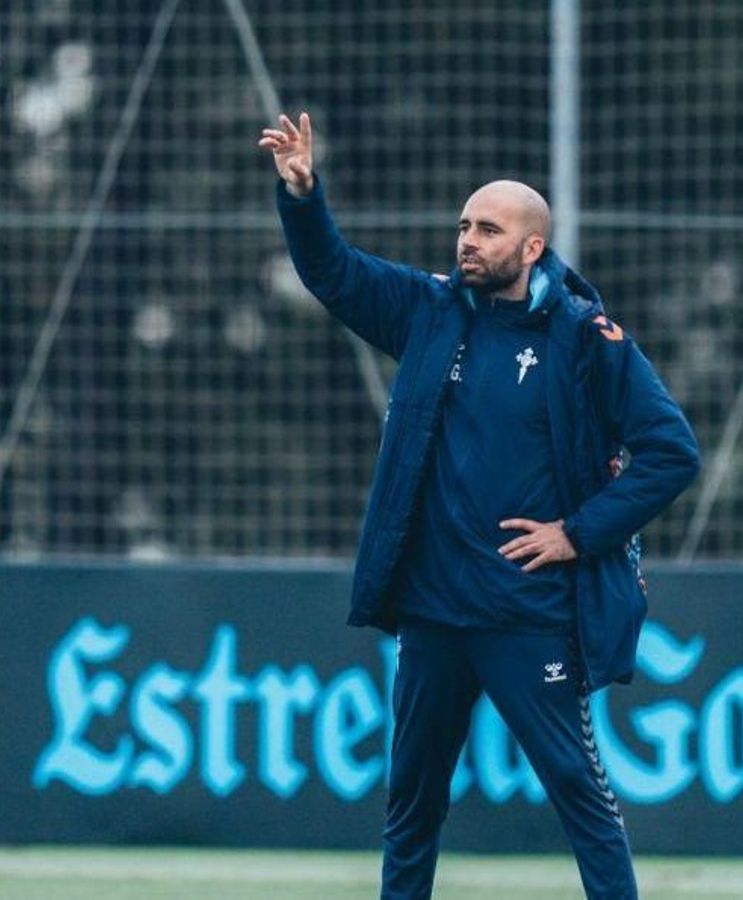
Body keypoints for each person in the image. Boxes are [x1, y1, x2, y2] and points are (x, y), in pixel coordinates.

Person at [259, 112, 700, 900]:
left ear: (532, 248)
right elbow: (336, 275)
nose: (467, 240)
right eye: (464, 225)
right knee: (412, 803)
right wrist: (302, 195)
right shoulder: (430, 311)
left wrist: (578, 533)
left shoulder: (585, 338)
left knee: (581, 795)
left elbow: (673, 452)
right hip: (433, 613)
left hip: (527, 611)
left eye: (488, 230)